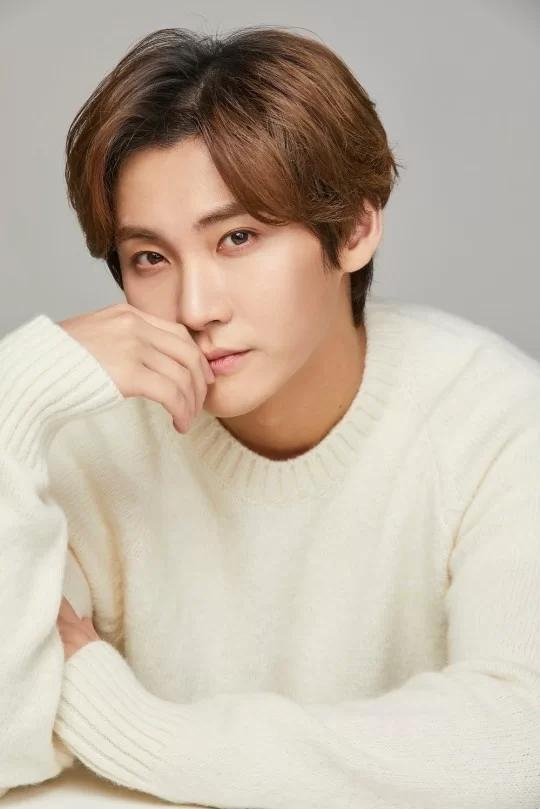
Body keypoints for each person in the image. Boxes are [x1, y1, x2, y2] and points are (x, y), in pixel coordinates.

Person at [1, 25, 540, 809]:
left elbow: (517, 742)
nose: (195, 307)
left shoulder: (496, 419)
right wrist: (12, 395)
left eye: (238, 237)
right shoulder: (92, 439)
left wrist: (135, 729)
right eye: (150, 257)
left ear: (354, 228)